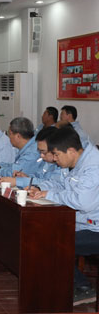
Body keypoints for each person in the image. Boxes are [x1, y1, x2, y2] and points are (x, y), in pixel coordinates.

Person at [28, 127, 99, 306]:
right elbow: (60, 184)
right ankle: (57, 283)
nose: (54, 159)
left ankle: (83, 288)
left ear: (71, 151)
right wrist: (41, 189)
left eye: (56, 155)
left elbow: (82, 202)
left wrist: (50, 195)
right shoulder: (73, 162)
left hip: (95, 228)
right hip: (82, 222)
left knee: (52, 242)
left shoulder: (93, 167)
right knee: (36, 232)